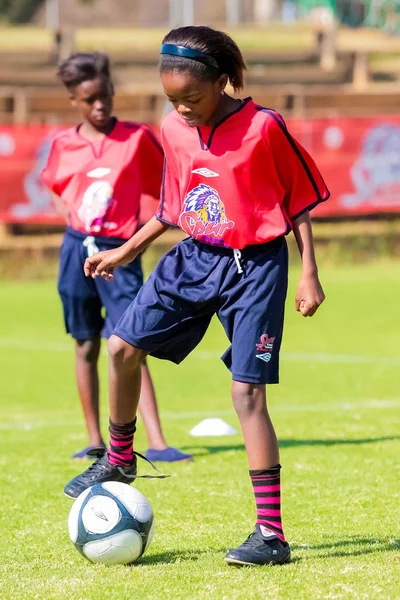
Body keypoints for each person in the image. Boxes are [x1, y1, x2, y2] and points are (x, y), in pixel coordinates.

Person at [64, 28, 329, 566]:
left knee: (246, 395)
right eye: (172, 101)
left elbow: (298, 200)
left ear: (222, 81)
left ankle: (270, 535)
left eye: (193, 98)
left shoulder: (263, 126)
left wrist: (309, 274)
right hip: (194, 257)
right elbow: (171, 207)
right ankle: (119, 459)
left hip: (255, 266)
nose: (182, 110)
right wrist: (123, 251)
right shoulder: (173, 128)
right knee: (120, 348)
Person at [41, 52, 191, 464]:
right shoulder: (64, 145)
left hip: (119, 253)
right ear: (74, 99)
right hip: (76, 250)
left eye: (105, 95)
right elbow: (55, 185)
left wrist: (143, 226)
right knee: (85, 343)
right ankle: (94, 439)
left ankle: (157, 442)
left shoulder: (137, 138)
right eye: (90, 99)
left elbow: (169, 178)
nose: (100, 105)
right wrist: (70, 216)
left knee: (131, 341)